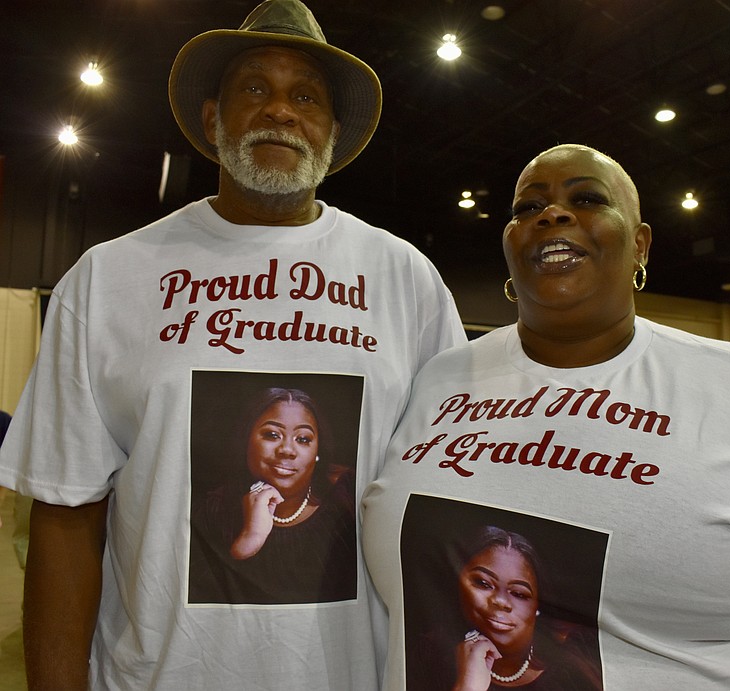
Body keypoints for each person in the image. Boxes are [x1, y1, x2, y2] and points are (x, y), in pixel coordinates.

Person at [0, 0, 466, 688]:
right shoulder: (108, 278)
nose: (280, 110)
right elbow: (67, 516)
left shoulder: (407, 282)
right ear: (213, 119)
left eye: (304, 96)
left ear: (332, 132)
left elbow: (445, 510)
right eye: (255, 88)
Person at [362, 144, 730, 690]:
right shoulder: (440, 380)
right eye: (527, 208)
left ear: (640, 244)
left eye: (587, 198)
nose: (552, 214)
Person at [189, 387, 357, 604]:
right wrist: (250, 539)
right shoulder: (212, 511)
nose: (287, 450)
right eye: (272, 435)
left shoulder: (347, 501)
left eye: (303, 439)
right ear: (247, 440)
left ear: (318, 452)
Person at [408, 525, 601, 691]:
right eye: (483, 583)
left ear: (537, 606)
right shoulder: (430, 654)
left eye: (519, 594)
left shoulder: (572, 673)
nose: (500, 601)